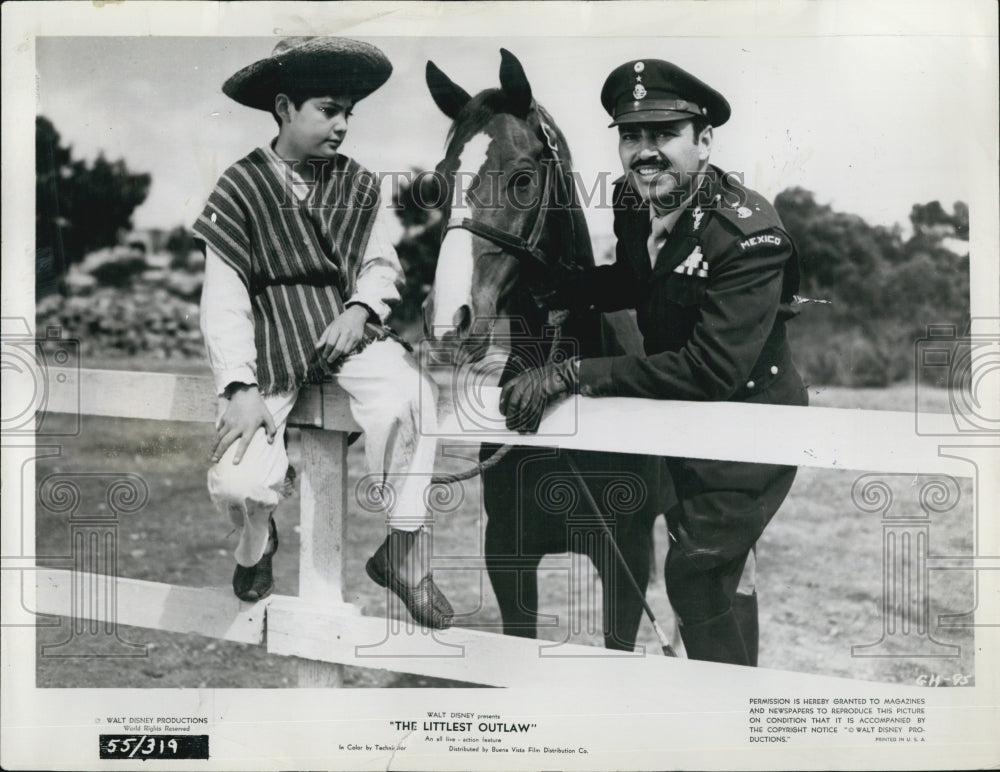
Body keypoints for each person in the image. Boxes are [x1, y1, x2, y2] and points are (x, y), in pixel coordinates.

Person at [500, 58, 807, 665]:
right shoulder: (632, 201)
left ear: (705, 141)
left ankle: (731, 722)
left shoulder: (748, 234)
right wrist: (569, 287)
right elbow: (645, 280)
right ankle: (729, 696)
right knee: (714, 569)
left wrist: (572, 374)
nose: (645, 153)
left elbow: (710, 369)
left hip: (746, 425)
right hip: (678, 419)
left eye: (663, 135)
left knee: (695, 577)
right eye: (631, 136)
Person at [192, 37, 452, 629]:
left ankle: (404, 554)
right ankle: (256, 545)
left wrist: (360, 309)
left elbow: (381, 264)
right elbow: (225, 299)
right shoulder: (242, 187)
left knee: (413, 399)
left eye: (348, 114)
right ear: (284, 108)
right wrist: (238, 385)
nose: (341, 126)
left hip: (345, 334)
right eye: (327, 110)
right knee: (238, 483)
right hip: (270, 350)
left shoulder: (358, 184)